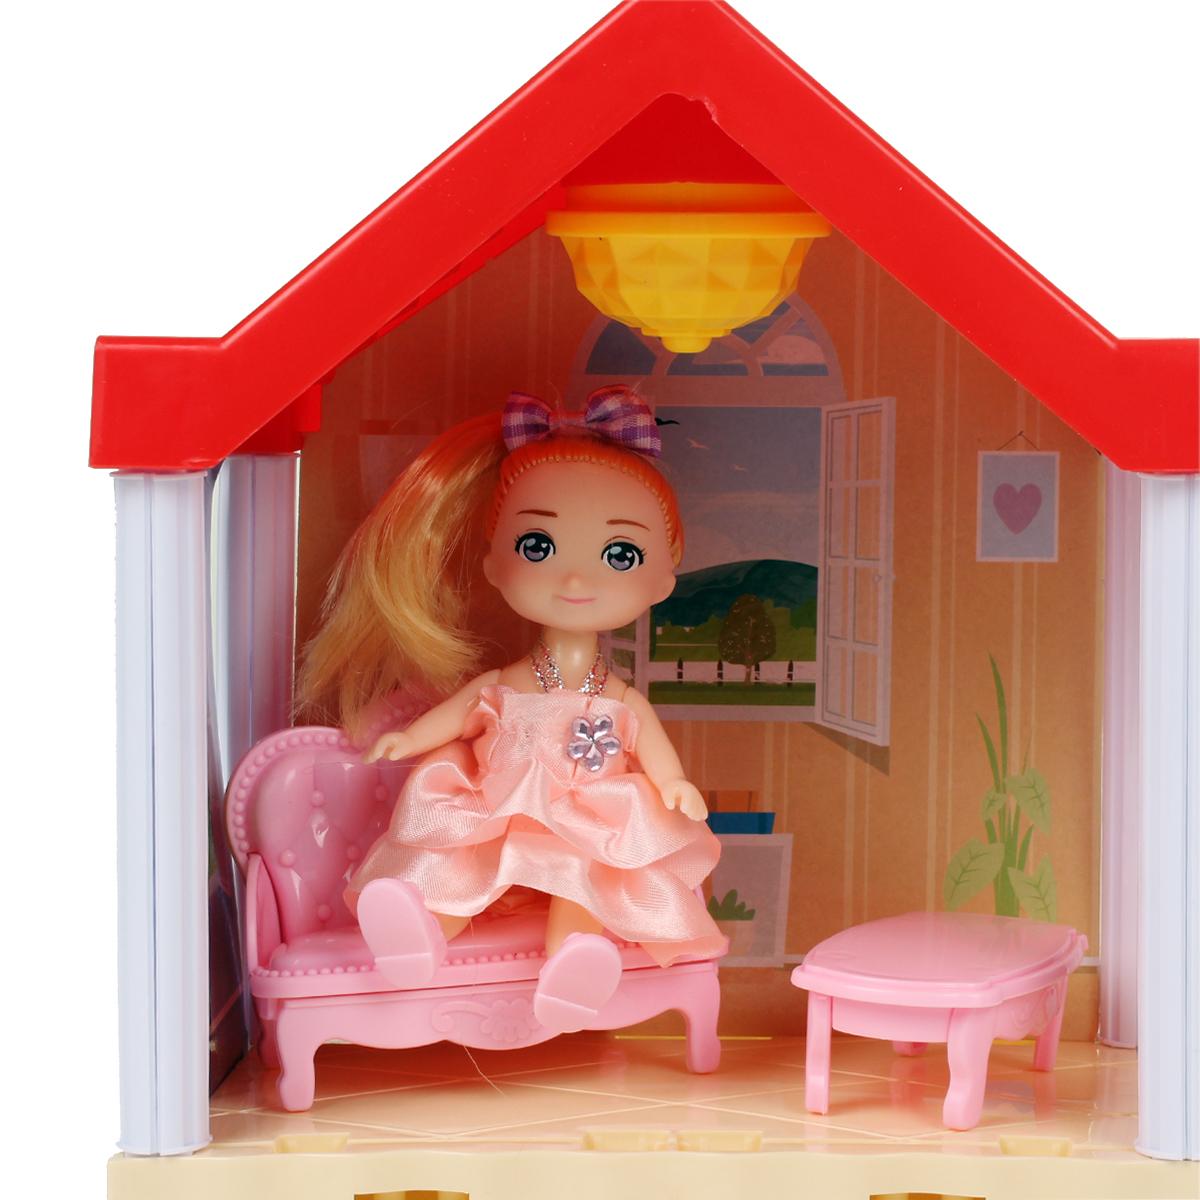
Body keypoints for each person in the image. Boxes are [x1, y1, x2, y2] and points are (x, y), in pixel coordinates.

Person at [297, 385, 725, 1032]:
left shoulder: (618, 697)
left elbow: (652, 745)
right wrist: (408, 740)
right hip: (500, 803)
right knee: (460, 861)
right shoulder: (504, 685)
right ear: (495, 564)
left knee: (587, 873)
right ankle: (418, 936)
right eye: (538, 547)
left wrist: (674, 784)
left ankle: (574, 967)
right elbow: (460, 713)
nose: (576, 580)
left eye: (620, 555)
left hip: (587, 815)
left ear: (663, 579)